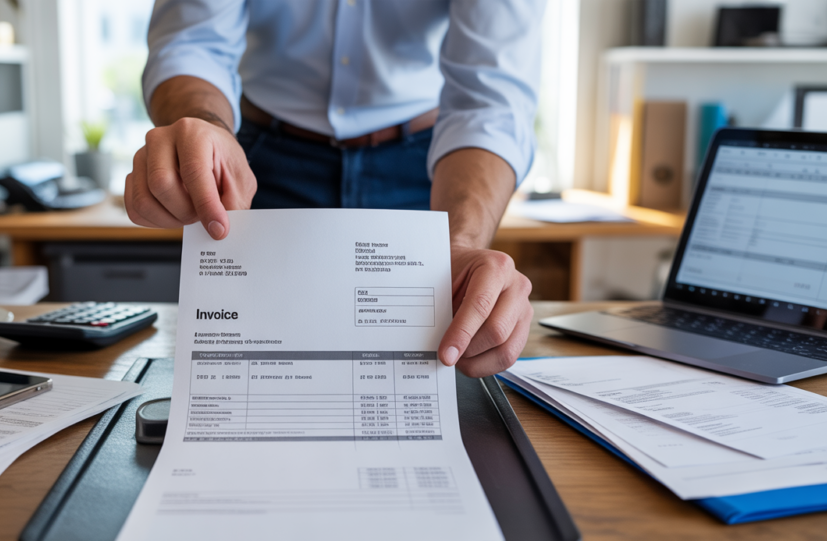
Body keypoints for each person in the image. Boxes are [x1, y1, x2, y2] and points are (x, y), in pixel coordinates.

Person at [124, 0, 544, 377]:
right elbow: (192, 42)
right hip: (257, 159)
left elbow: (489, 95)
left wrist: (461, 240)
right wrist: (205, 129)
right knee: (252, 371)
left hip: (429, 168)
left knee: (428, 355)